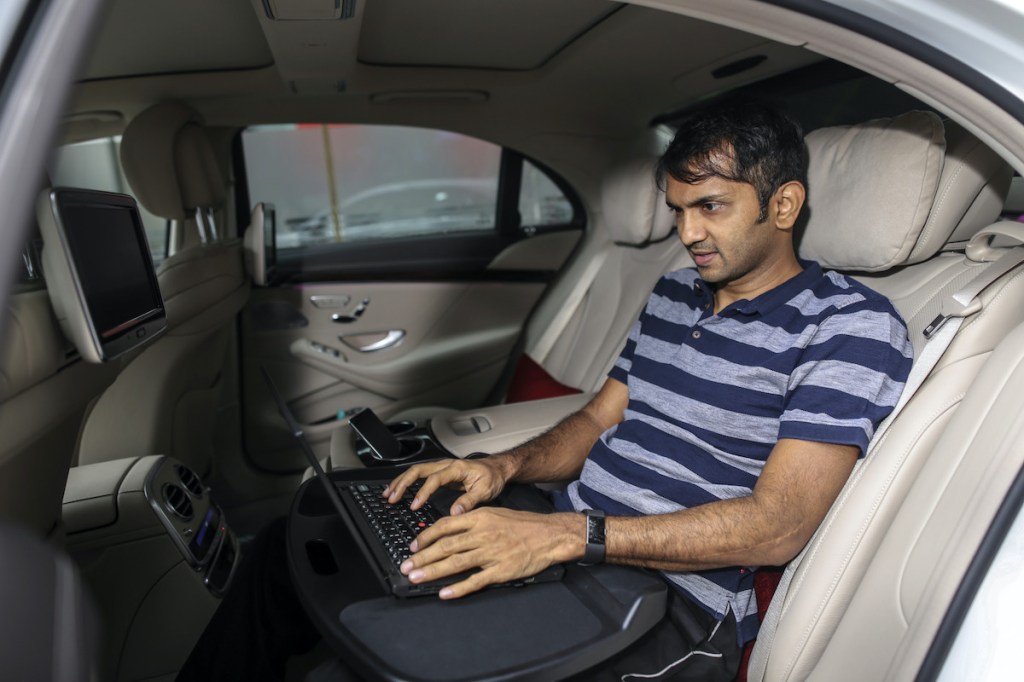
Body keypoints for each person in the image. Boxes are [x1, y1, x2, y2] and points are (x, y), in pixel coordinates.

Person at [178, 100, 912, 682]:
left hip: (673, 605)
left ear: (782, 206)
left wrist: (566, 538)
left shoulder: (849, 327)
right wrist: (503, 470)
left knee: (367, 660)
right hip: (571, 536)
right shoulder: (676, 293)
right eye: (677, 209)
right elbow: (598, 415)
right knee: (293, 547)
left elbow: (778, 524)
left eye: (711, 207)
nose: (687, 233)